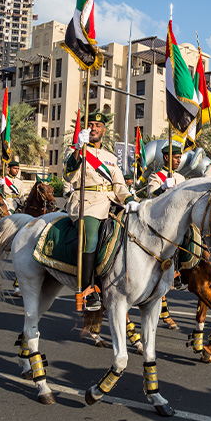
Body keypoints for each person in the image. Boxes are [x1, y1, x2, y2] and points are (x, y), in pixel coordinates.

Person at [65, 112, 137, 312]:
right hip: (86, 202)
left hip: (110, 202)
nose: (94, 128)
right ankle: (87, 289)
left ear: (104, 130)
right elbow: (68, 175)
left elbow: (119, 185)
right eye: (91, 125)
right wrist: (79, 149)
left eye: (98, 125)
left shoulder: (111, 158)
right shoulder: (76, 151)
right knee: (91, 235)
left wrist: (130, 200)